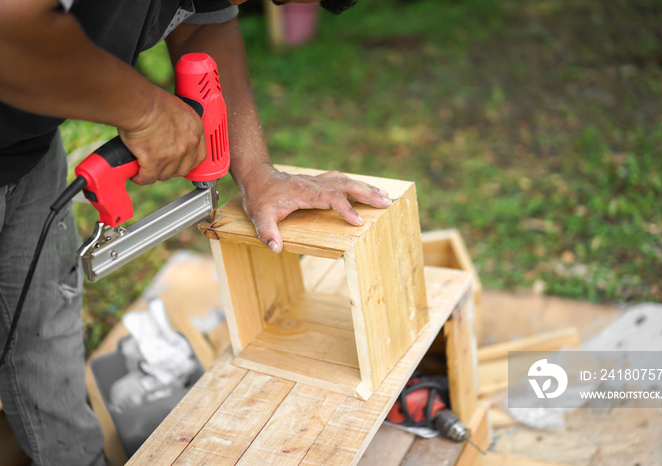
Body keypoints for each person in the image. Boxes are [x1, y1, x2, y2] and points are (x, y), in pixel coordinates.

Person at [0, 0, 389, 463]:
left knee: (43, 327)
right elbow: (10, 31)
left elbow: (207, 23)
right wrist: (144, 111)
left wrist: (255, 169)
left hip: (24, 149)